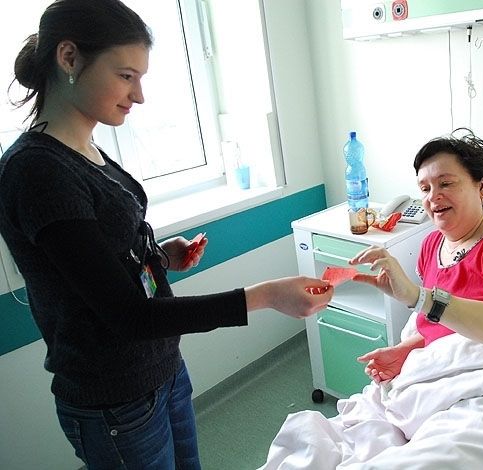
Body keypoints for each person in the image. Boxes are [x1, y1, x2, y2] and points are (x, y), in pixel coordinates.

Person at [0, 1, 332, 468]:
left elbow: (101, 257)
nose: (138, 96)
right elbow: (127, 315)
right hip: (115, 398)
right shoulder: (37, 171)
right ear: (69, 57)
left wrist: (159, 255)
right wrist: (266, 296)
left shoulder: (85, 148)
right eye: (126, 76)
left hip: (162, 369)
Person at [350, 128, 483, 383]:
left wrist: (418, 297)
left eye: (446, 183)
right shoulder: (431, 246)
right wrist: (404, 352)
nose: (433, 196)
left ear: (482, 186)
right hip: (454, 374)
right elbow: (445, 327)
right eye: (425, 188)